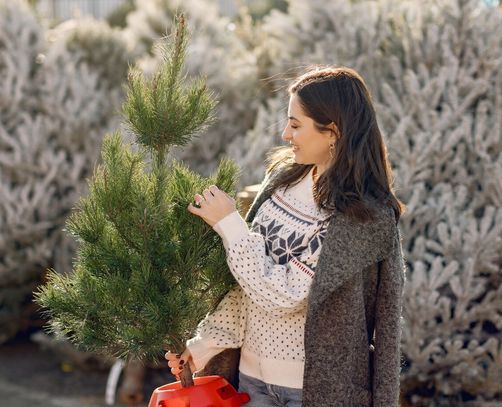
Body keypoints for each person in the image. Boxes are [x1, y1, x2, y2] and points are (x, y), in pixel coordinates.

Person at [165, 66, 406, 407]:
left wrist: (231, 225)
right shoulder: (281, 184)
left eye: (295, 125)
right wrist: (205, 345)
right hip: (251, 385)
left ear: (332, 131)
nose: (284, 134)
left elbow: (283, 294)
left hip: (313, 394)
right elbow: (246, 285)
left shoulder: (361, 219)